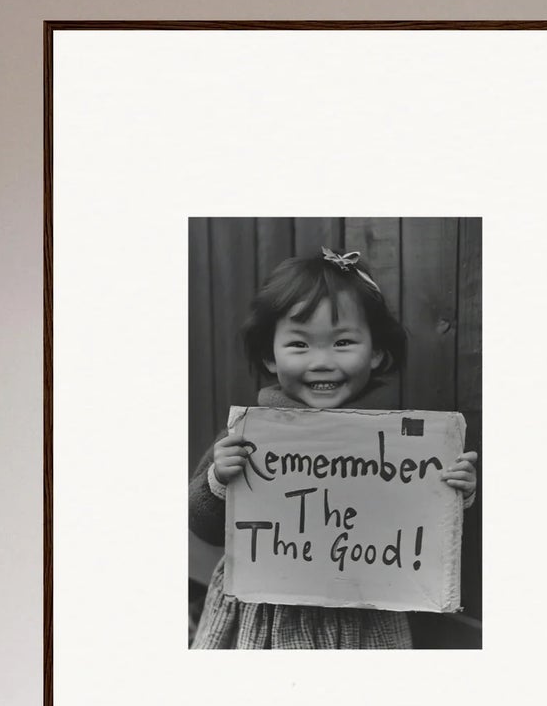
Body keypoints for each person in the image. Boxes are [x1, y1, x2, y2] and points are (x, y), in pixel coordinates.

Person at [190, 247, 478, 649]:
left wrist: (453, 490)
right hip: (268, 612)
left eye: (342, 342)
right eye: (300, 345)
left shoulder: (397, 446)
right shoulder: (248, 436)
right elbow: (202, 525)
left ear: (376, 352)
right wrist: (219, 479)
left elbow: (418, 523)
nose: (322, 361)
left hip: (364, 610)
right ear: (270, 357)